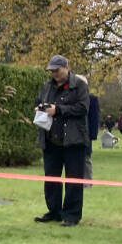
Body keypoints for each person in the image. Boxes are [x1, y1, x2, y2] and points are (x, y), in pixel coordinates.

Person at [33, 55, 89, 227]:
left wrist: (58, 110)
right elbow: (38, 101)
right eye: (51, 71)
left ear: (66, 67)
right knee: (51, 179)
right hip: (51, 140)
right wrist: (39, 108)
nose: (54, 74)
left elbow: (82, 108)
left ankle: (71, 215)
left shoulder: (79, 85)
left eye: (57, 70)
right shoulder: (46, 86)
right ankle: (54, 211)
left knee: (73, 180)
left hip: (73, 140)